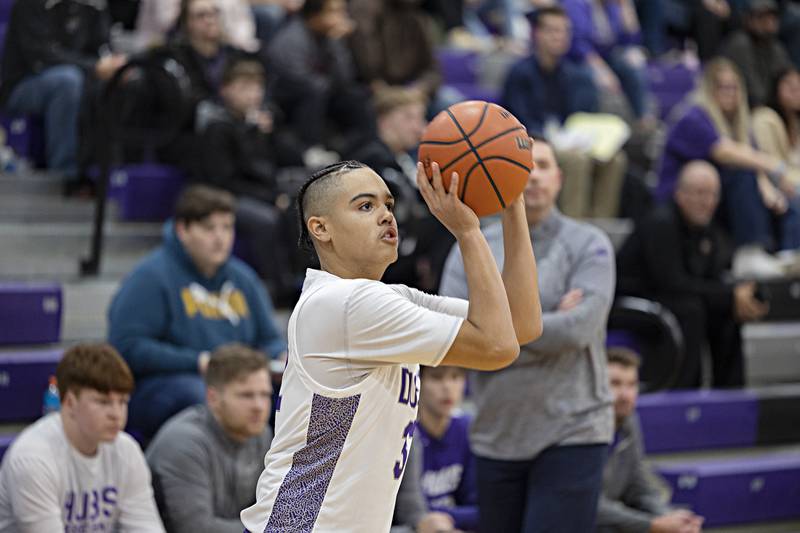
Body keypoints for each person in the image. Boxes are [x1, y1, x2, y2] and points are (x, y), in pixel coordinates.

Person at [240, 159, 542, 532]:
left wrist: (513, 205)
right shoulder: (348, 306)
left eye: (388, 205)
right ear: (321, 228)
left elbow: (521, 325)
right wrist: (467, 232)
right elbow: (497, 347)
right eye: (366, 206)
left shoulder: (382, 300)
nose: (386, 216)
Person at [440, 136, 615, 533]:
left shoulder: (590, 243)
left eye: (543, 165)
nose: (532, 175)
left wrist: (494, 333)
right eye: (523, 166)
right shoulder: (470, 244)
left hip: (574, 429)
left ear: (560, 178)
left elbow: (578, 330)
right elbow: (455, 337)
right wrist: (542, 321)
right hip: (495, 434)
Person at [108, 185, 286, 441]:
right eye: (209, 228)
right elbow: (128, 347)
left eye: (227, 227)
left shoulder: (243, 278)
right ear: (183, 230)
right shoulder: (150, 278)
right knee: (204, 399)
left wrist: (279, 356)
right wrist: (197, 362)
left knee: (292, 396)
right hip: (167, 384)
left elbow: (269, 338)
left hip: (237, 382)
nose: (220, 238)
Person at [617, 160, 768, 388]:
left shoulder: (708, 231)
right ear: (680, 194)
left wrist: (741, 296)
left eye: (711, 195)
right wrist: (729, 295)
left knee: (727, 312)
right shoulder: (660, 223)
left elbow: (710, 279)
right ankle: (686, 393)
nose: (706, 202)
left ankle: (729, 394)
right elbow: (672, 283)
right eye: (699, 193)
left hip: (668, 297)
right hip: (631, 302)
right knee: (692, 309)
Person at [655, 57, 800, 278]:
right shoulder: (694, 116)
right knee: (743, 172)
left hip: (717, 194)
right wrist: (776, 167)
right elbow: (725, 153)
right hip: (679, 197)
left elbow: (749, 158)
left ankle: (789, 253)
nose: (730, 93)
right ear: (709, 88)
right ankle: (749, 252)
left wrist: (767, 186)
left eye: (734, 87)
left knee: (787, 194)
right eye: (722, 87)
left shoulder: (739, 124)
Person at [0, 343, 165, 532]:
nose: (117, 414)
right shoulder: (33, 459)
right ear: (70, 402)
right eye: (103, 402)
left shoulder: (127, 451)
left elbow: (146, 526)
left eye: (123, 401)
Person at [502, 6, 627, 219]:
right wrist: (554, 140)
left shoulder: (575, 75)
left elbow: (583, 117)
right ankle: (573, 225)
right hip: (532, 143)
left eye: (564, 31)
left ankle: (600, 227)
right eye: (552, 30)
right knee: (576, 160)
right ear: (537, 34)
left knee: (615, 159)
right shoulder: (520, 73)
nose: (559, 37)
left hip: (570, 140)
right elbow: (518, 121)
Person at [197, 58, 306, 303]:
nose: (252, 94)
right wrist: (271, 198)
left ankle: (299, 278)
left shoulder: (257, 125)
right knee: (265, 220)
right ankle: (278, 287)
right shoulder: (218, 127)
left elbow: (289, 158)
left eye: (257, 88)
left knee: (298, 207)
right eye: (244, 87)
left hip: (258, 191)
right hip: (225, 196)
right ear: (225, 90)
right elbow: (224, 180)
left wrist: (270, 133)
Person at [146, 343, 274, 533]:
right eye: (246, 395)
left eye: (265, 395)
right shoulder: (184, 442)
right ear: (213, 398)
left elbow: (269, 511)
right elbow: (197, 529)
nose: (259, 406)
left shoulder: (261, 434)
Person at [0, 0, 126, 189]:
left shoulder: (94, 4)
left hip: (78, 76)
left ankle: (108, 173)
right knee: (67, 81)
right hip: (22, 84)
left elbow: (102, 47)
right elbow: (41, 55)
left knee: (121, 81)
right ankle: (63, 175)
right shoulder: (29, 4)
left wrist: (114, 66)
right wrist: (93, 67)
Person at [596, 347, 705, 533]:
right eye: (615, 384)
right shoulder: (580, 432)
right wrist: (652, 525)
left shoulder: (630, 422)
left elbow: (639, 484)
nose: (625, 394)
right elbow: (589, 504)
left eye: (632, 384)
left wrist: (670, 519)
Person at [266, 0, 376, 156]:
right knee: (315, 90)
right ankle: (311, 150)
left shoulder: (328, 36)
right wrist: (327, 84)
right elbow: (297, 81)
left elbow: (345, 77)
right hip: (289, 99)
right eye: (333, 12)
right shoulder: (290, 40)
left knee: (358, 95)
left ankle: (362, 149)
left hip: (323, 92)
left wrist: (338, 42)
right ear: (314, 15)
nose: (341, 17)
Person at [416, 365, 478, 532]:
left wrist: (449, 519)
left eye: (455, 377)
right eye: (436, 377)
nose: (447, 387)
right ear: (418, 382)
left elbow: (480, 509)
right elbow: (401, 510)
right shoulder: (406, 435)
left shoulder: (466, 429)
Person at [721, 0, 793, 108]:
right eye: (762, 17)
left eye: (771, 17)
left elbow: (788, 78)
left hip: (771, 108)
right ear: (749, 19)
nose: (768, 22)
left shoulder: (775, 47)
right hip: (744, 108)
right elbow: (755, 94)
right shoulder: (740, 44)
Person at [753, 67, 800, 172]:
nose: (796, 89)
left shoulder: (795, 121)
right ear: (776, 88)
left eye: (799, 84)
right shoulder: (764, 119)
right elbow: (772, 165)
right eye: (789, 84)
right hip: (778, 180)